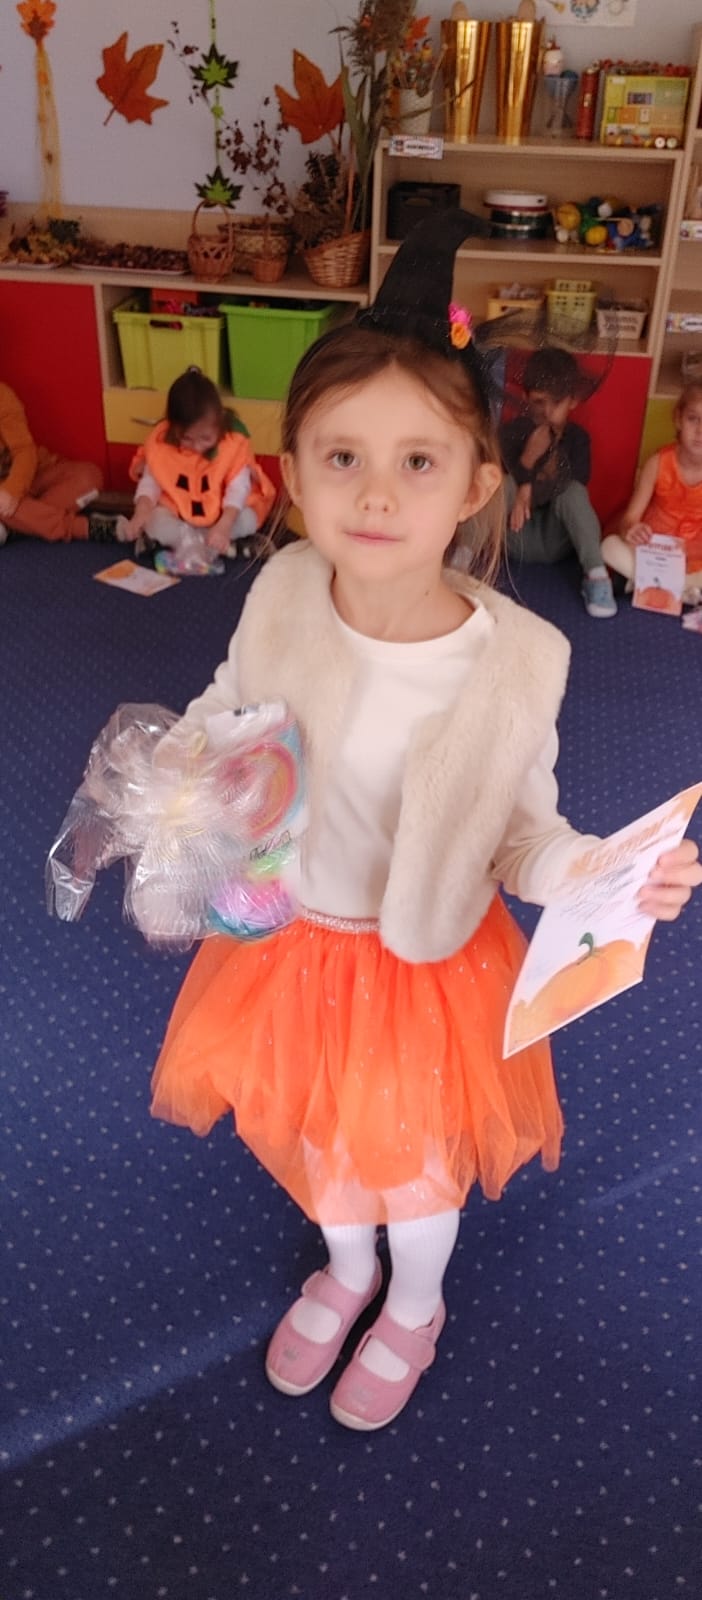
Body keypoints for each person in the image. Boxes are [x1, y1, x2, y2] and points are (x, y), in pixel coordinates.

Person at [148, 212, 701, 1432]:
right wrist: (176, 765)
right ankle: (348, 1273)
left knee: (414, 1171)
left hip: (422, 965)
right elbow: (228, 706)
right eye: (342, 456)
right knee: (321, 1150)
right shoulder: (285, 587)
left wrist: (602, 870)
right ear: (293, 475)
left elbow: (523, 834)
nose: (375, 493)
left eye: (417, 461)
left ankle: (414, 1300)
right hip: (288, 940)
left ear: (477, 484)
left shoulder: (515, 662)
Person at [499, 347, 617, 619]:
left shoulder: (577, 439)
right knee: (496, 483)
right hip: (515, 535)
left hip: (557, 538)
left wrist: (528, 486)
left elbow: (575, 489)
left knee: (571, 491)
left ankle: (596, 576)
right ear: (526, 399)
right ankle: (462, 565)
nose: (547, 412)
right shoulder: (511, 432)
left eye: (556, 403)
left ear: (572, 401)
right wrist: (528, 461)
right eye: (539, 402)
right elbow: (503, 487)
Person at [118, 367, 276, 566]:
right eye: (187, 439)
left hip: (224, 513)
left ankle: (196, 542)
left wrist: (224, 525)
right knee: (154, 521)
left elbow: (238, 490)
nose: (197, 447)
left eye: (206, 438)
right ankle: (224, 546)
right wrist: (141, 511)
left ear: (219, 424)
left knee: (248, 518)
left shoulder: (232, 444)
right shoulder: (161, 445)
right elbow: (150, 482)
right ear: (173, 428)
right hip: (178, 512)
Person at [601, 382, 702, 602]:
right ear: (678, 419)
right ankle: (683, 591)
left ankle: (653, 584)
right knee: (609, 547)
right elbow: (630, 519)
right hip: (654, 550)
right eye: (693, 419)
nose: (700, 431)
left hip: (694, 556)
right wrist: (632, 530)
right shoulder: (657, 463)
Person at [0, 381, 118, 545]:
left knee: (90, 477)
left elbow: (24, 450)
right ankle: (83, 527)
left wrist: (12, 491)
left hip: (33, 475)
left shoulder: (2, 395)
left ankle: (15, 526)